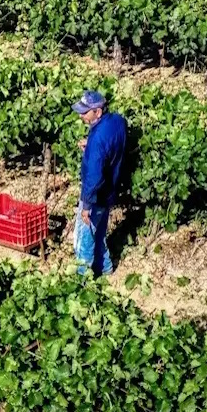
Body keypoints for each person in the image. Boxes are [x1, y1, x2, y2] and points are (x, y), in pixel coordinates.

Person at [72, 90, 127, 276]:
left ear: (98, 112)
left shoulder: (97, 140)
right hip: (110, 191)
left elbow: (94, 176)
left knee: (84, 239)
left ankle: (83, 279)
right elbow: (109, 147)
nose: (81, 115)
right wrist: (92, 146)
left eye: (85, 112)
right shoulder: (117, 122)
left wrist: (86, 205)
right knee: (100, 232)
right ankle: (105, 268)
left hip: (95, 195)